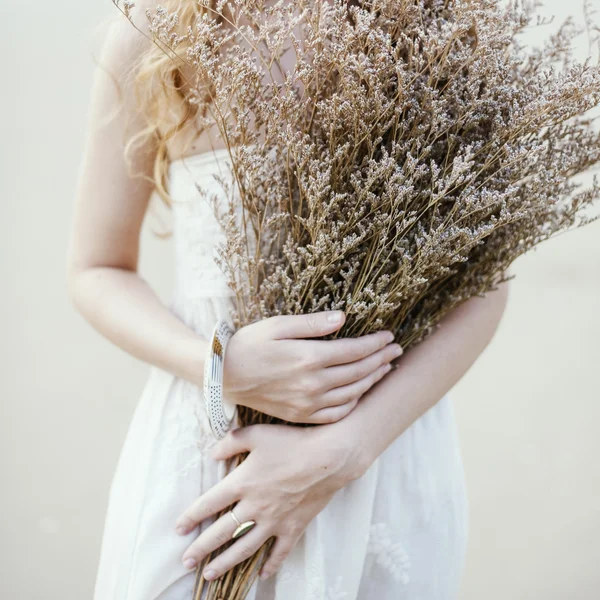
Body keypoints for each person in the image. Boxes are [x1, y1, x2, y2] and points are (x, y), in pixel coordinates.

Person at [66, 2, 509, 599]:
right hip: (209, 446)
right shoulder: (154, 31)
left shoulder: (431, 19)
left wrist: (345, 451)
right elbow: (96, 269)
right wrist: (221, 366)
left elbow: (486, 282)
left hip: (381, 453)